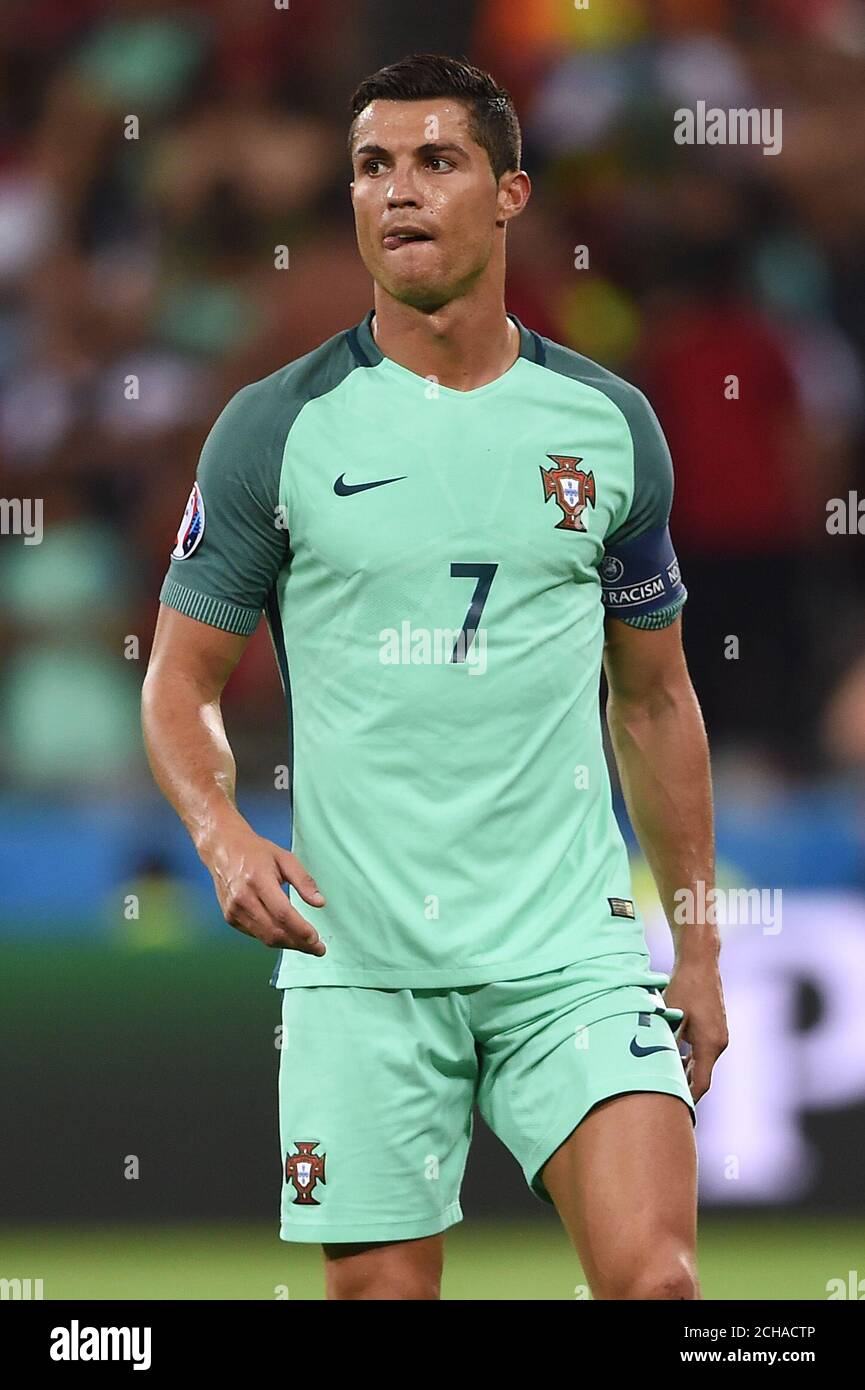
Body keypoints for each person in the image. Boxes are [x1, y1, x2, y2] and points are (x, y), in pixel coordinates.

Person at [141, 53, 727, 1301]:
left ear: (510, 193)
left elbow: (655, 699)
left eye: (435, 161)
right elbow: (178, 679)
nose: (397, 192)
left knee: (660, 1287)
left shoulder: (608, 427)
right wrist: (220, 831)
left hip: (569, 953)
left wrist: (699, 950)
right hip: (357, 962)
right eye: (371, 167)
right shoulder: (274, 428)